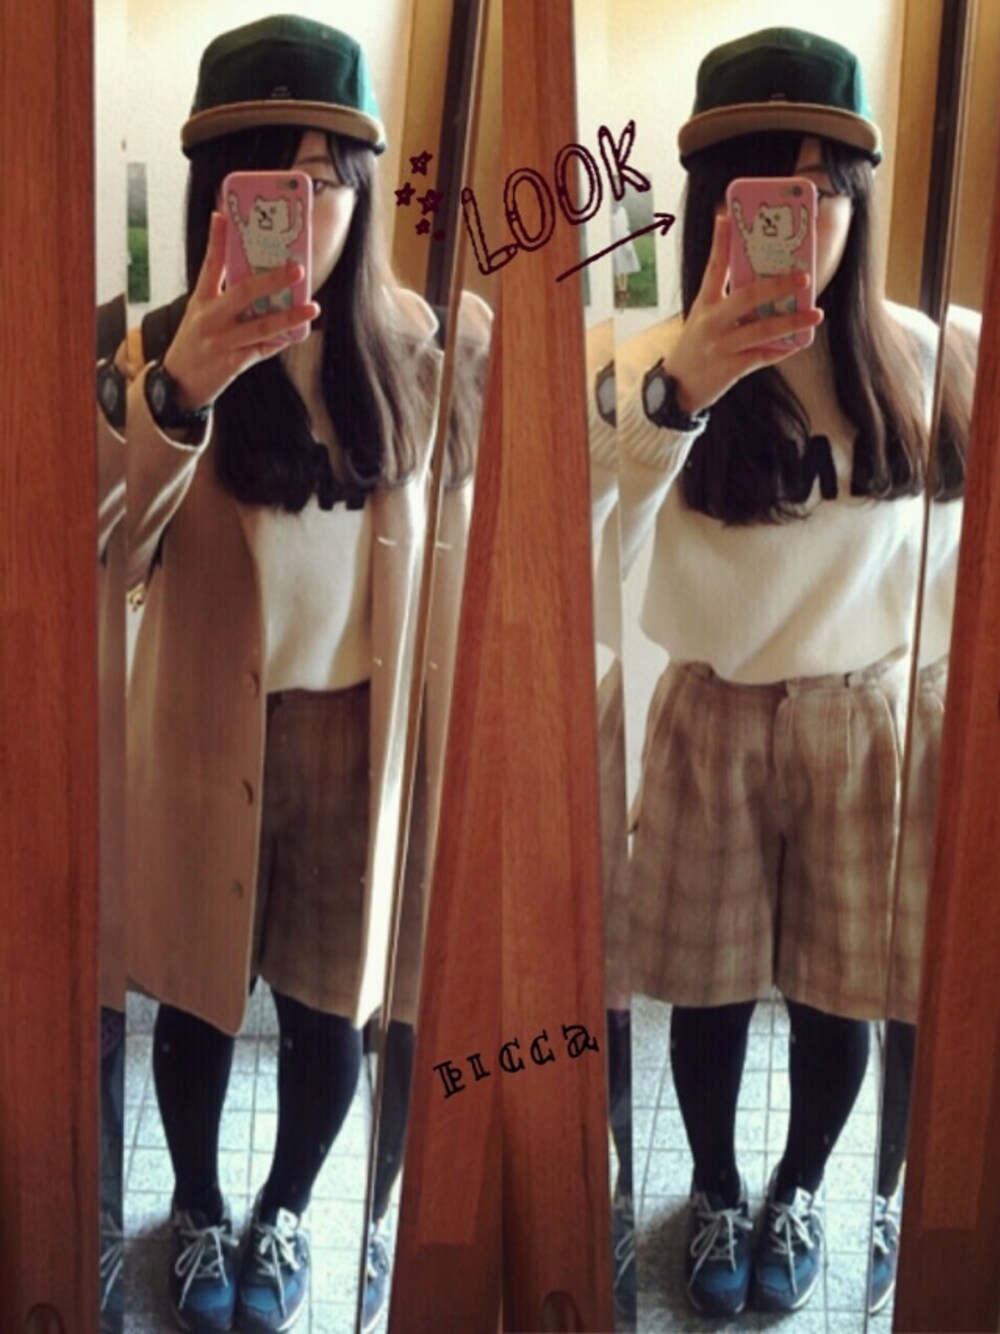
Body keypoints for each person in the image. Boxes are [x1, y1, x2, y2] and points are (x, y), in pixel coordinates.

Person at [617, 27, 958, 1318]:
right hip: (709, 713)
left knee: (836, 998)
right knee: (706, 994)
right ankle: (713, 1185)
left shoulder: (929, 357)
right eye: (765, 188)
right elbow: (582, 534)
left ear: (860, 200)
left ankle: (803, 1184)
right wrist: (684, 386)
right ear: (715, 204)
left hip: (863, 718)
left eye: (824, 188)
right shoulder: (642, 364)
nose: (796, 220)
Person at [121, 17, 451, 1332]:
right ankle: (200, 1209)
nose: (299, 210)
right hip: (208, 733)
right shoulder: (153, 349)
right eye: (268, 179)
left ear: (364, 188)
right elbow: (103, 551)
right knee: (199, 1007)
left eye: (325, 177)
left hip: (355, 741)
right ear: (219, 196)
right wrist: (181, 389)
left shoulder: (421, 346)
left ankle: (287, 1210)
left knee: (328, 1019)